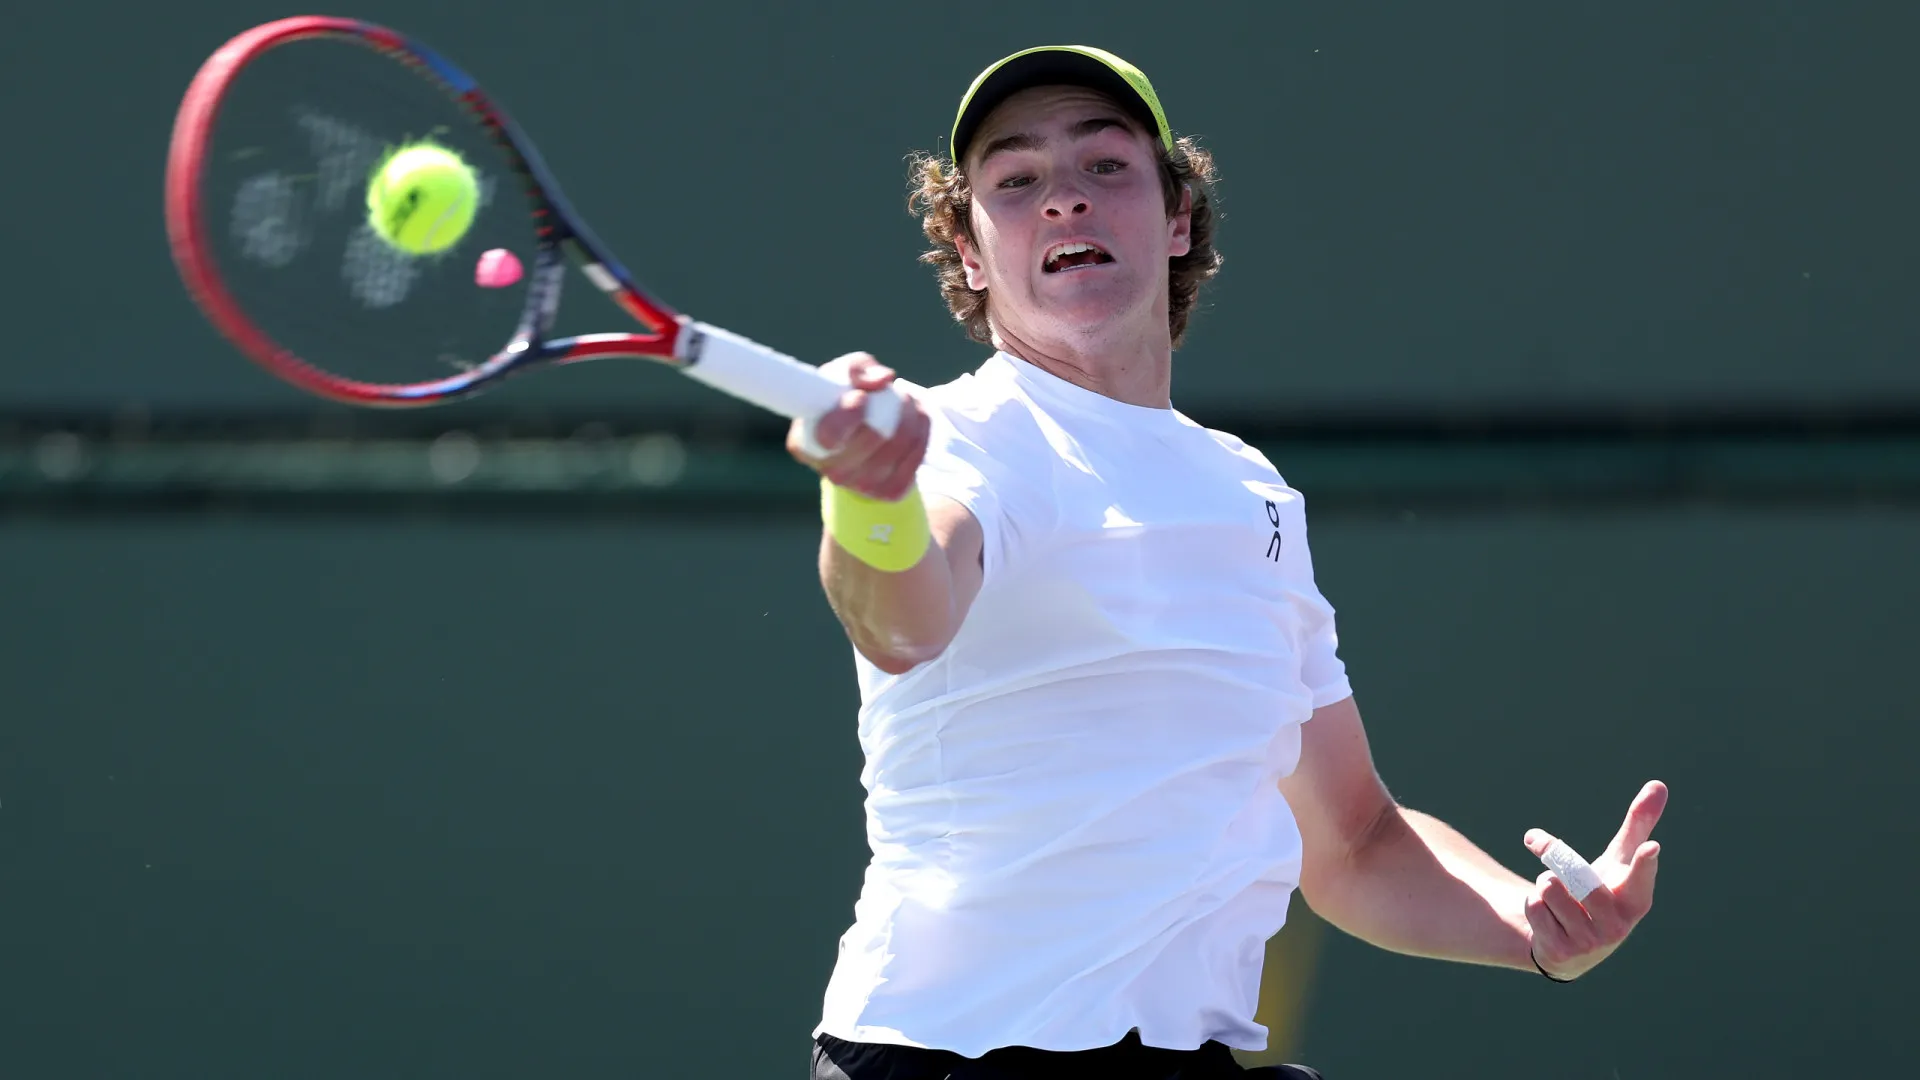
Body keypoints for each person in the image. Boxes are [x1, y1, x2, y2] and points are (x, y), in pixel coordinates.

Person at [789, 46, 1668, 1080]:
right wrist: (868, 498)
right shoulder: (953, 443)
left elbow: (1354, 841)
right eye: (1016, 180)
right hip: (950, 1059)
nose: (1064, 198)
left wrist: (1537, 927)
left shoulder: (1252, 492)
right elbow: (901, 623)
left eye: (1105, 165)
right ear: (970, 252)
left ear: (1179, 219)